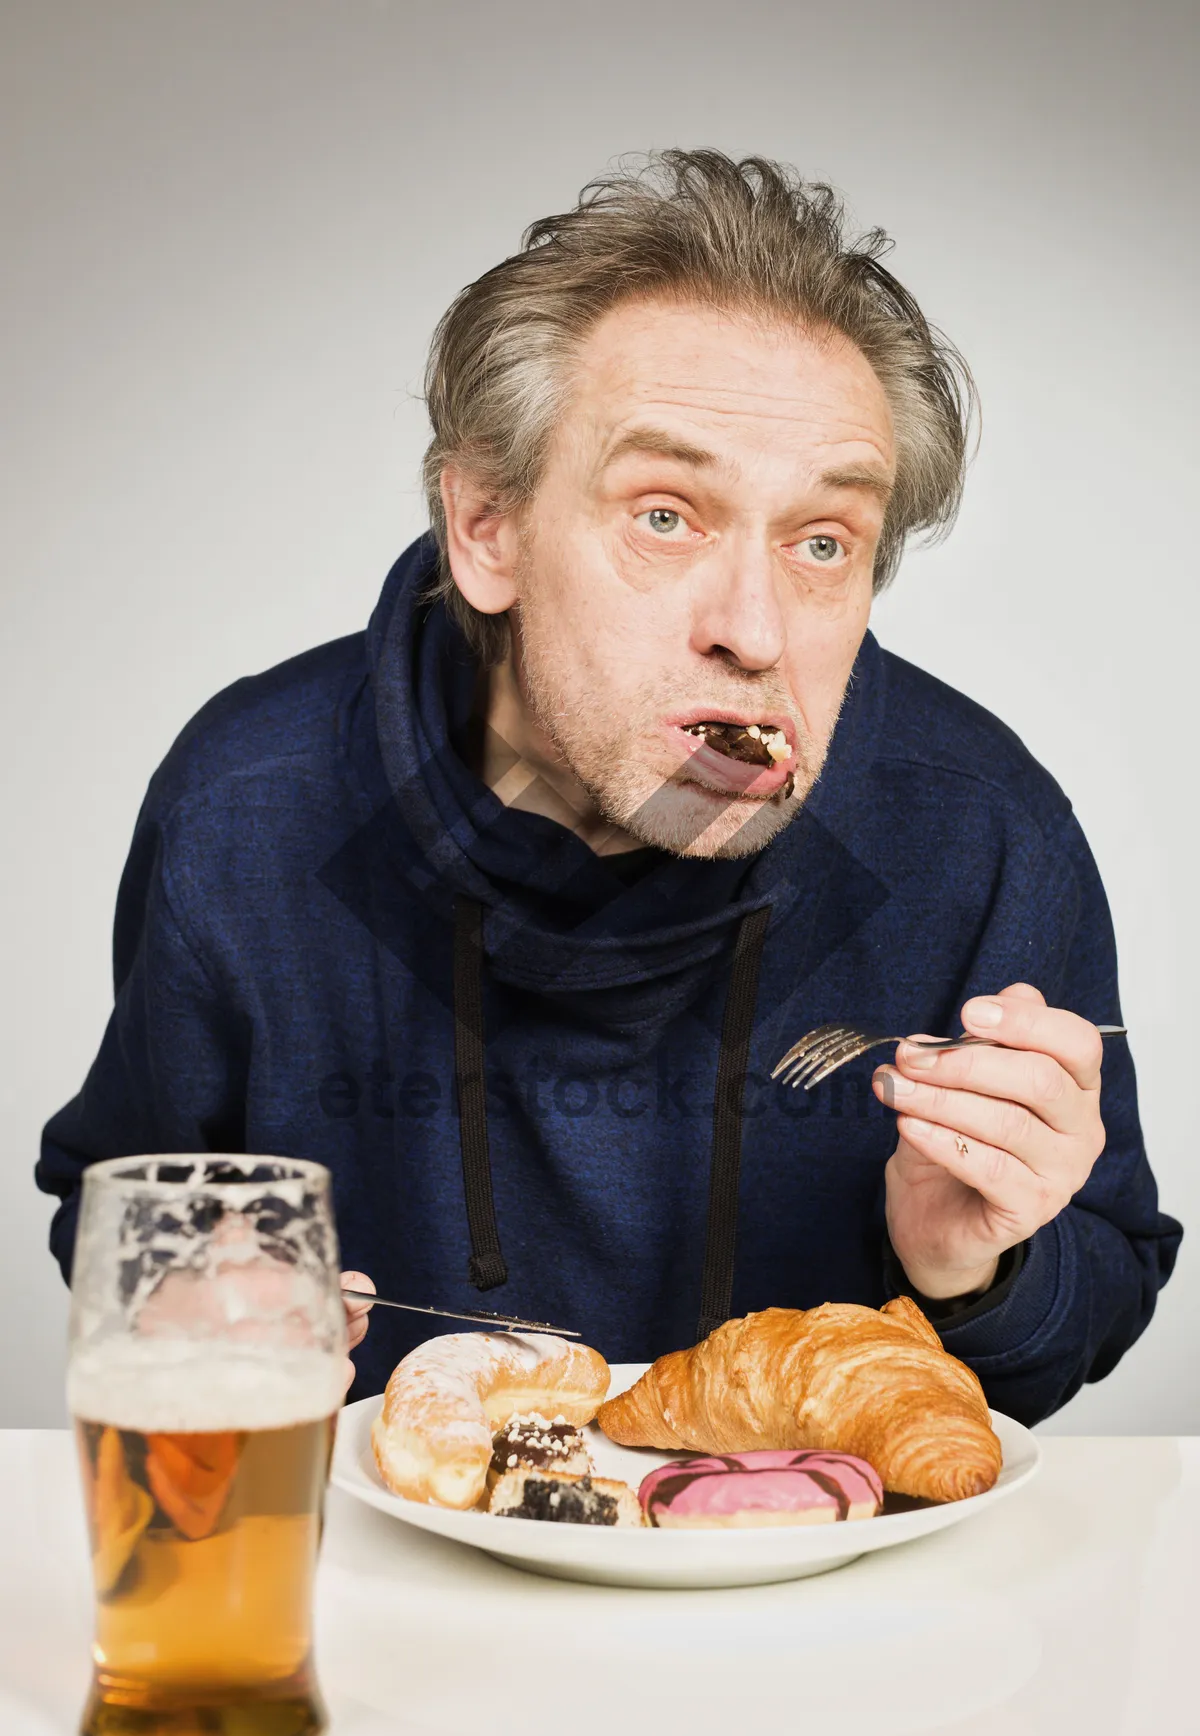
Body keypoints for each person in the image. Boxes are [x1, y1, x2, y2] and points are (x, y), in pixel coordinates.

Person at [36, 151, 1180, 1415]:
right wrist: (201, 1304)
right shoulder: (248, 806)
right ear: (487, 529)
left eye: (821, 542)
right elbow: (116, 1212)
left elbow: (1101, 1287)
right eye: (665, 516)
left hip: (819, 1586)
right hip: (390, 1583)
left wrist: (977, 1268)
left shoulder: (982, 828)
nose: (755, 630)